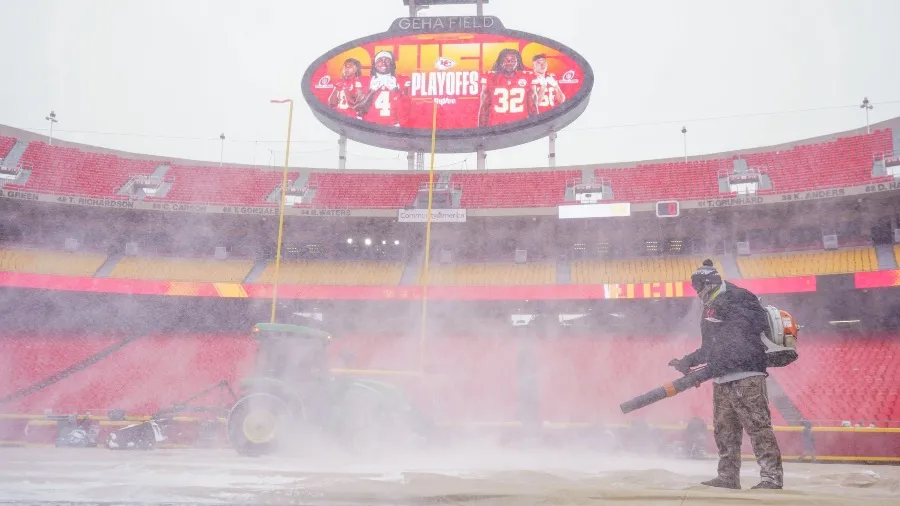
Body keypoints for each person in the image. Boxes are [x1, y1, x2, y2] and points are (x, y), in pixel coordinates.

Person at [668, 259, 784, 490]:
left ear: (709, 283)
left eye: (699, 287)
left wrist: (724, 312)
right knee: (725, 431)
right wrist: (687, 362)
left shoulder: (739, 296)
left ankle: (771, 477)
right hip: (721, 376)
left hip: (747, 373)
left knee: (758, 426)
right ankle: (728, 476)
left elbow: (754, 323)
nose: (697, 292)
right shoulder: (708, 308)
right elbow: (709, 347)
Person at [477, 49, 538, 127]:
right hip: (496, 128)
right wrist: (482, 131)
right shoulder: (490, 77)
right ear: (500, 62)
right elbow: (484, 108)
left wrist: (535, 127)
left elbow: (532, 107)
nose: (509, 63)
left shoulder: (527, 77)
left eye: (513, 60)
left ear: (517, 62)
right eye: (506, 60)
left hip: (520, 127)